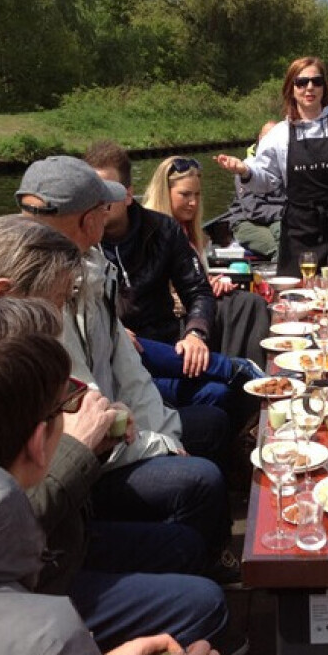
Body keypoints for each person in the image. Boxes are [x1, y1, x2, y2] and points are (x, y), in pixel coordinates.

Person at [0, 215, 242, 655]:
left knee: (186, 544)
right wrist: (76, 448)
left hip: (58, 539)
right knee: (203, 603)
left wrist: (89, 427)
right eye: (57, 303)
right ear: (2, 295)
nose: (60, 320)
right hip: (21, 584)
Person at [84, 140, 264, 426]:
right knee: (218, 397)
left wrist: (195, 333)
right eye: (90, 192)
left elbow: (197, 290)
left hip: (167, 345)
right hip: (117, 362)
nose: (97, 201)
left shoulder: (163, 230)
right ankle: (233, 369)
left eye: (106, 192)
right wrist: (113, 329)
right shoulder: (81, 241)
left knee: (223, 394)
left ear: (129, 195)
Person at [214, 55, 328, 309]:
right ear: (291, 88)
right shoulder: (278, 135)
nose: (309, 88)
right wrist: (243, 170)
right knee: (295, 298)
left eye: (316, 81)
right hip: (300, 224)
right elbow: (264, 180)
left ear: (324, 87)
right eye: (301, 82)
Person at [144, 154, 271, 367]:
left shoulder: (189, 231)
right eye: (185, 194)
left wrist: (211, 282)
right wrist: (204, 292)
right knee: (249, 305)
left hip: (197, 304)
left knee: (250, 301)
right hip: (177, 318)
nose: (193, 202)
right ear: (165, 193)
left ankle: (245, 369)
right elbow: (156, 299)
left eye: (197, 194)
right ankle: (239, 370)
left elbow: (196, 281)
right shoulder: (151, 233)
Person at [225, 120, 285, 259]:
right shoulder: (245, 167)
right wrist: (286, 212)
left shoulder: (286, 163)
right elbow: (253, 210)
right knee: (280, 250)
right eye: (267, 138)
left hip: (278, 220)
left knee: (295, 244)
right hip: (247, 222)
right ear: (259, 139)